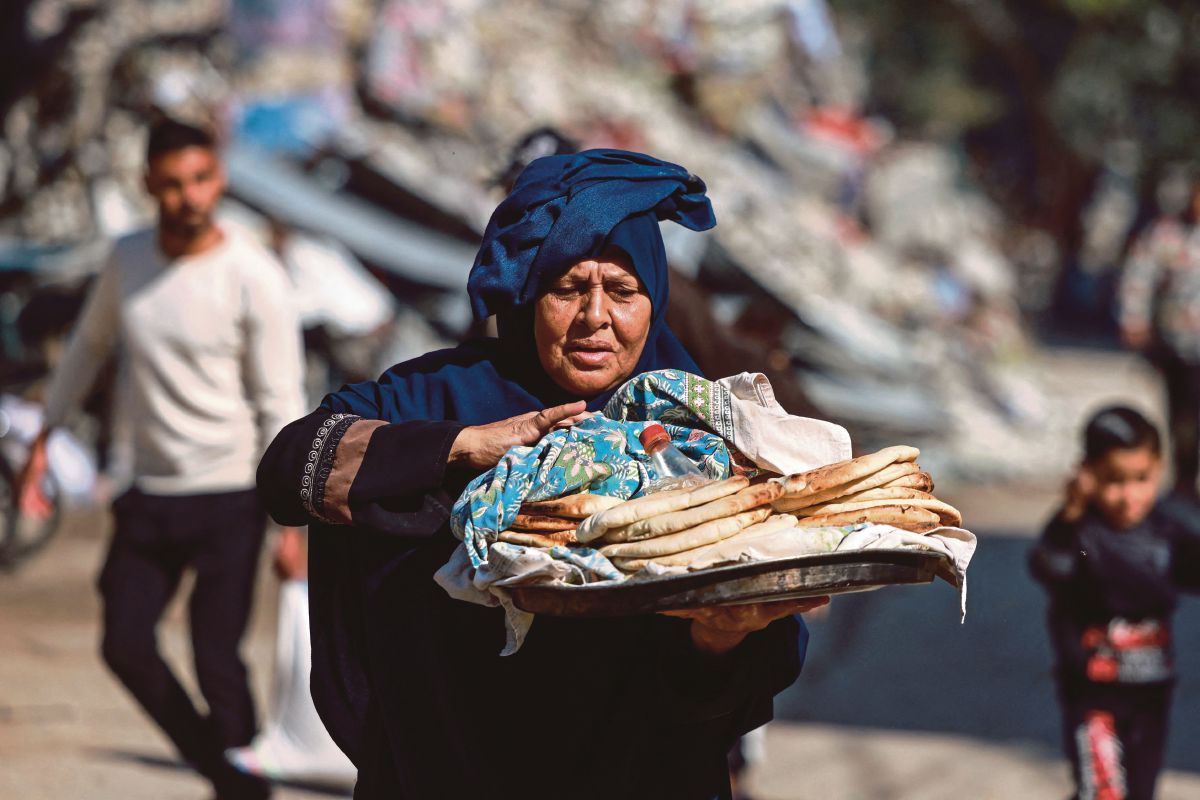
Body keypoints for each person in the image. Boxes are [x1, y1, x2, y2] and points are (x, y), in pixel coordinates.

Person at [256, 149, 827, 799]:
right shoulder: (436, 398)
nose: (594, 318)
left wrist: (718, 639)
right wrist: (462, 448)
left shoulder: (709, 429)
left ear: (655, 300)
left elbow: (750, 668)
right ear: (531, 295)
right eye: (567, 288)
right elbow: (288, 470)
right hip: (448, 767)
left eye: (622, 290)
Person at [17, 118, 305, 800]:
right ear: (149, 185)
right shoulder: (127, 260)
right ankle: (228, 772)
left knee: (217, 660)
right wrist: (41, 438)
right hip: (146, 492)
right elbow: (88, 347)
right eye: (172, 184)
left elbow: (280, 401)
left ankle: (240, 786)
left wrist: (294, 523)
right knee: (124, 644)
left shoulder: (253, 274)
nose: (188, 197)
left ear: (220, 178)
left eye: (201, 179)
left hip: (230, 494)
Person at [1029, 406, 1200, 800]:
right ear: (1087, 474)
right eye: (1113, 481)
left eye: (1142, 479)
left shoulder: (1168, 532)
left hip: (1151, 698)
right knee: (1102, 794)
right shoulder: (1079, 533)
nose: (1128, 496)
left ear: (1160, 467)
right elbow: (1050, 566)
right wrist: (1071, 512)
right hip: (1093, 700)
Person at [1117, 176, 1200, 497]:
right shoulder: (1165, 234)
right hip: (1178, 344)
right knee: (1183, 416)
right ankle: (1184, 482)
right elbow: (1138, 277)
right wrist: (1134, 320)